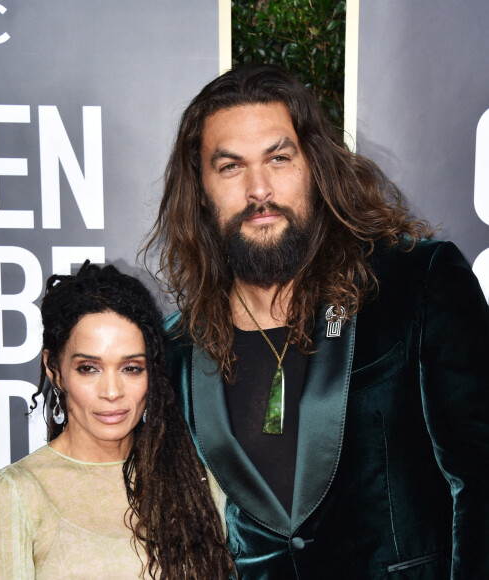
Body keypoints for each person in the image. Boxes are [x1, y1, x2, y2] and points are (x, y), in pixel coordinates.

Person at [144, 64, 489, 579]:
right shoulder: (178, 349)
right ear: (200, 190)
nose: (259, 189)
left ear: (314, 167)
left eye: (279, 158)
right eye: (231, 167)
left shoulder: (417, 282)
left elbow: (481, 479)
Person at [0, 262, 235, 579]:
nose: (112, 391)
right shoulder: (13, 494)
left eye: (131, 368)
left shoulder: (195, 481)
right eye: (88, 368)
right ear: (55, 371)